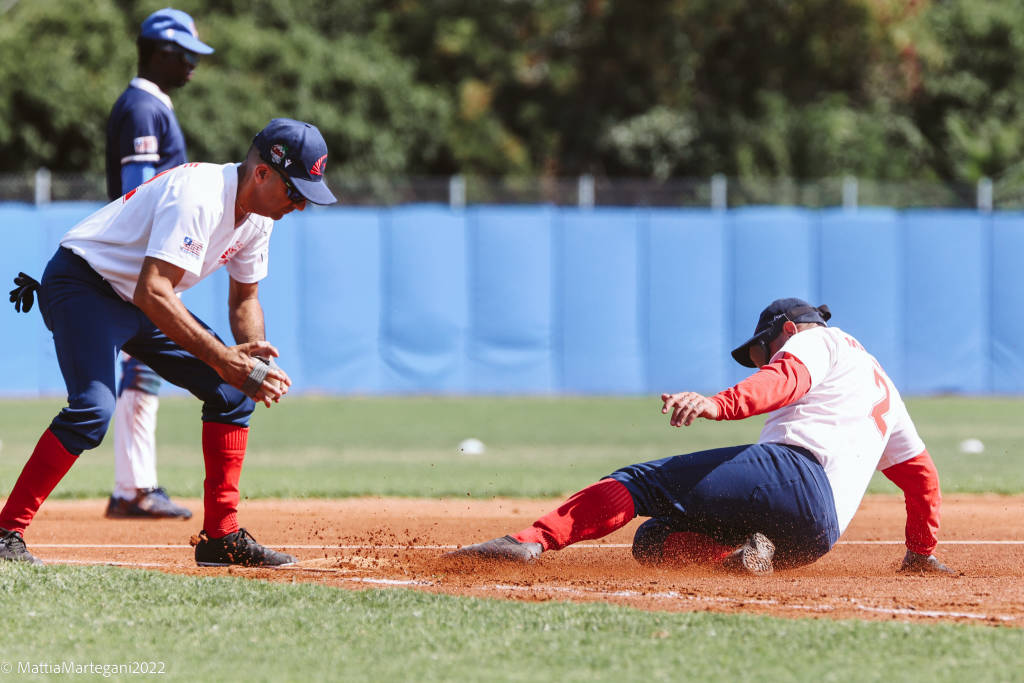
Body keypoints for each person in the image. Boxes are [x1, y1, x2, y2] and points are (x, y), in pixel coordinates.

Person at [1, 118, 337, 567]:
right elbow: (153, 291)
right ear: (262, 173)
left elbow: (245, 298)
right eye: (295, 192)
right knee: (93, 411)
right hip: (84, 284)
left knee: (234, 391)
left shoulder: (259, 218)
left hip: (141, 298)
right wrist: (223, 358)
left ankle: (221, 538)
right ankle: (6, 533)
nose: (298, 205)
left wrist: (252, 357)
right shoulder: (199, 194)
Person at [448, 298, 956, 576]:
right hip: (815, 537)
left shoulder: (818, 340)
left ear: (786, 331)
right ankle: (744, 558)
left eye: (762, 350)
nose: (762, 360)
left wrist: (719, 403)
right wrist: (919, 553)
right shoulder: (882, 386)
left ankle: (529, 541)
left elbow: (786, 381)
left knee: (640, 482)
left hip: (794, 475)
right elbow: (922, 479)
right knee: (654, 539)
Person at [103, 8, 215, 520]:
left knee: (144, 371)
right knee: (141, 370)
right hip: (140, 264)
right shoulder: (144, 108)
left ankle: (135, 484)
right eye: (186, 54)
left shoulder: (150, 105)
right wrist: (151, 270)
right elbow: (138, 194)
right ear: (161, 52)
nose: (194, 64)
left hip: (146, 262)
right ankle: (132, 488)